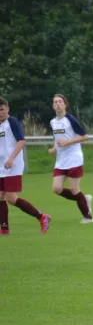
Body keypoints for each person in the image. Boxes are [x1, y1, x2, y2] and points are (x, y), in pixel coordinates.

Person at [0, 97, 51, 235]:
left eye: (2, 110)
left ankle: (41, 216)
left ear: (7, 109)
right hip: (1, 166)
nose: (0, 113)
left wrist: (11, 158)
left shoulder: (12, 122)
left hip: (13, 165)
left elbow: (22, 141)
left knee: (11, 198)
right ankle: (4, 229)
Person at [49, 94, 93, 223]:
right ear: (53, 106)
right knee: (56, 189)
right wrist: (54, 148)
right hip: (61, 160)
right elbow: (57, 139)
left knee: (74, 189)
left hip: (74, 158)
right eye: (55, 102)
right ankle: (84, 199)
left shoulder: (70, 119)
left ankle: (88, 217)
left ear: (65, 104)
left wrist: (68, 142)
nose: (57, 104)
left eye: (60, 102)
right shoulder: (53, 122)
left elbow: (85, 136)